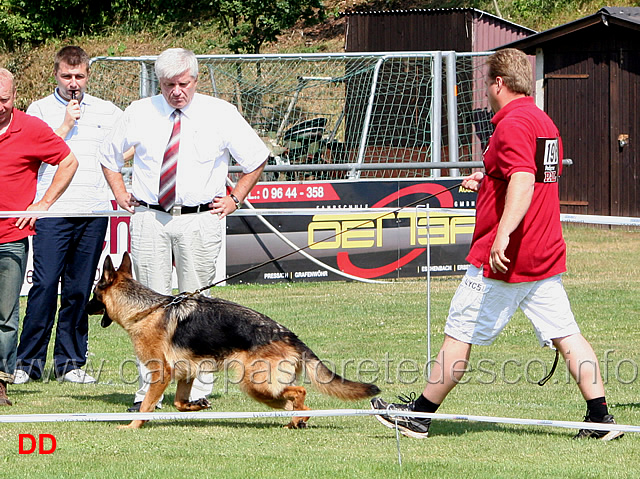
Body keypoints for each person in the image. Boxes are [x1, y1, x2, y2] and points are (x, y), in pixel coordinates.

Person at [371, 48, 623, 441]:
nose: (485, 91)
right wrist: (488, 177)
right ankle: (600, 419)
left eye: (487, 83)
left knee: (460, 332)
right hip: (544, 252)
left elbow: (523, 180)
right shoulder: (542, 121)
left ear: (499, 83)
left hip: (505, 259)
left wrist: (502, 234)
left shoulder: (510, 124)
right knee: (567, 334)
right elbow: (526, 176)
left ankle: (418, 415)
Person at [99, 48, 268, 411]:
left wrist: (236, 197)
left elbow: (256, 157)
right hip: (149, 216)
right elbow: (107, 155)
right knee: (148, 310)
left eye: (184, 83)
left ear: (196, 78)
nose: (177, 91)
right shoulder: (139, 112)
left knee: (197, 306)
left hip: (200, 218)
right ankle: (148, 392)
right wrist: (119, 192)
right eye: (169, 84)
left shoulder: (220, 112)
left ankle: (196, 389)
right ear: (158, 82)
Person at [13, 46, 128, 385]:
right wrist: (65, 124)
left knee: (79, 290)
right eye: (67, 76)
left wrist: (115, 161)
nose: (73, 83)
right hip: (51, 211)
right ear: (56, 75)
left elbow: (128, 144)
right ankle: (28, 362)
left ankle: (71, 363)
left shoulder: (108, 111)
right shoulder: (39, 110)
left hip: (92, 209)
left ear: (88, 76)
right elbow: (39, 151)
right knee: (44, 286)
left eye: (79, 76)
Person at [0, 68, 78, 405]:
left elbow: (69, 161)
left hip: (9, 239)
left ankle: (0, 380)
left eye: (3, 99)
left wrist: (43, 204)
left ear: (14, 97)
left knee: (4, 315)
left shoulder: (31, 128)